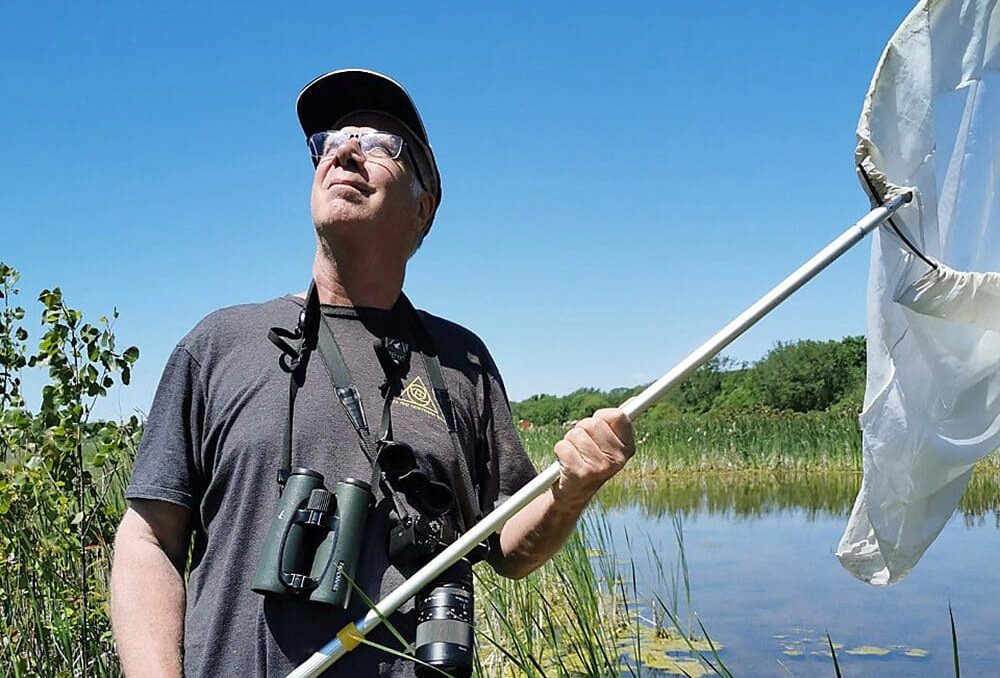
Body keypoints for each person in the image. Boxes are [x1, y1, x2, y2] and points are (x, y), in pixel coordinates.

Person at [110, 69, 635, 677]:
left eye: (379, 142)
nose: (345, 150)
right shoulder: (220, 344)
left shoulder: (460, 361)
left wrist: (573, 491)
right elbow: (148, 538)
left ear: (423, 205)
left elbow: (509, 548)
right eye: (331, 139)